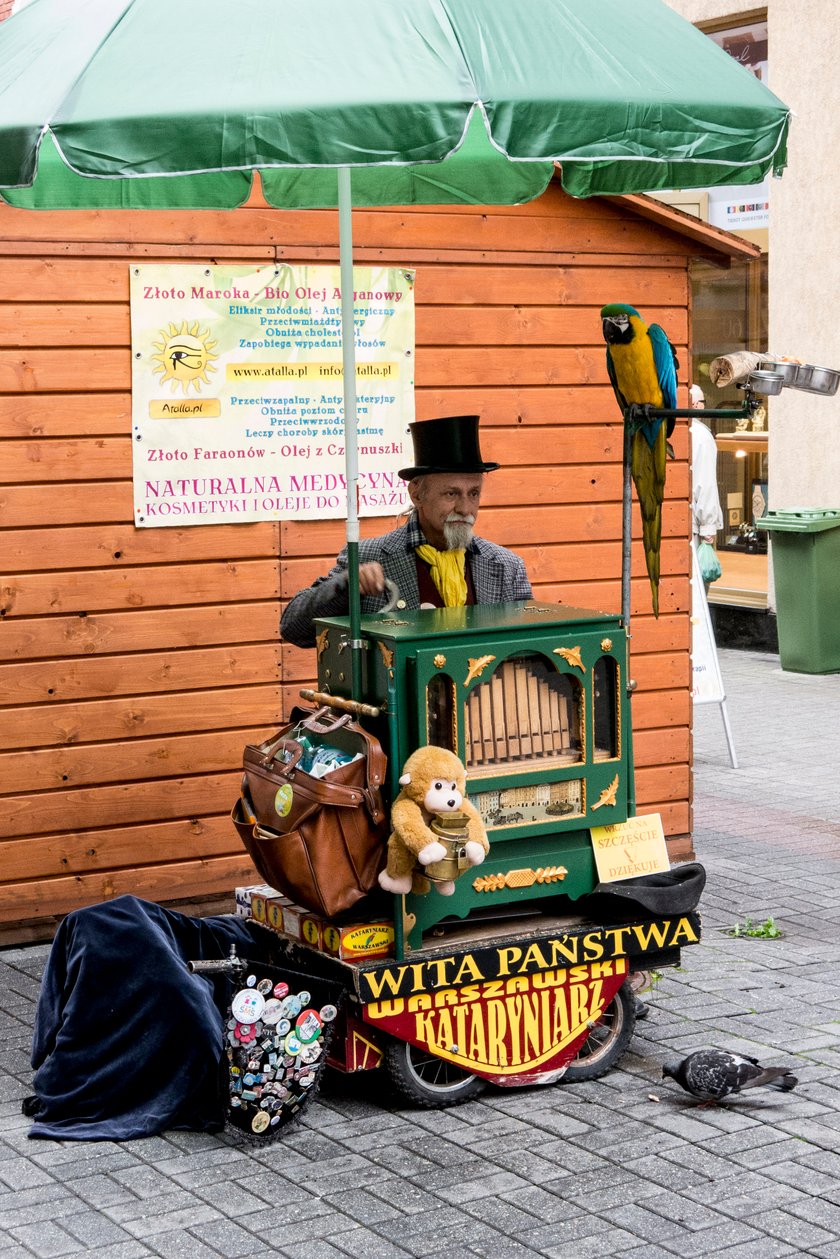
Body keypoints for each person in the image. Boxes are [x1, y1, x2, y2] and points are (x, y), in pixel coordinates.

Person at [281, 414, 532, 647]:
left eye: (473, 493)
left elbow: (529, 648)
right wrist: (346, 587)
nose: (466, 508)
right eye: (451, 493)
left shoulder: (506, 567)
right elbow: (294, 629)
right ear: (416, 494)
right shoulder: (370, 557)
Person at [689, 384, 724, 550]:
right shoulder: (701, 436)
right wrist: (708, 530)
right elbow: (705, 484)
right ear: (696, 404)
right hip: (693, 525)